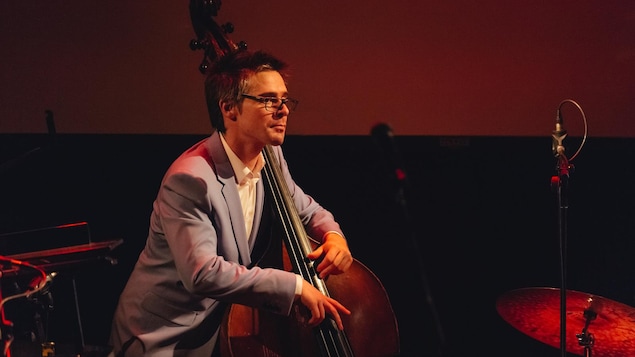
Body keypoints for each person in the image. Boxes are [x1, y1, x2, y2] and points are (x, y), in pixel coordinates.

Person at [108, 49, 353, 356]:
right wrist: (294, 286)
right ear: (229, 109)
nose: (283, 110)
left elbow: (305, 207)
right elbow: (203, 273)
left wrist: (334, 237)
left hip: (221, 332)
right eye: (268, 100)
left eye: (284, 99)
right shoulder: (190, 179)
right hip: (165, 337)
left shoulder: (270, 155)